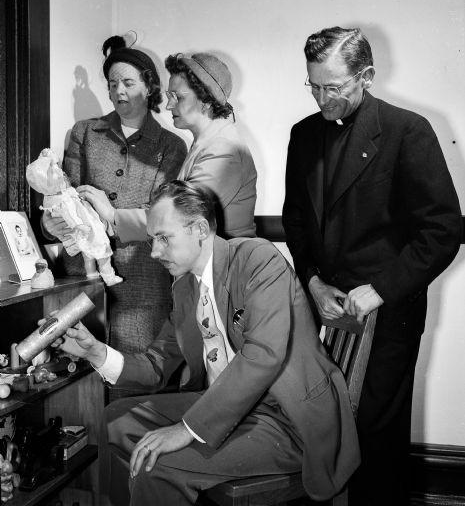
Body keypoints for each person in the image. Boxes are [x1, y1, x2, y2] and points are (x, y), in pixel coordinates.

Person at [55, 180, 360, 506]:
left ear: (200, 228)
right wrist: (98, 354)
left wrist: (187, 429)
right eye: (151, 240)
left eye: (163, 238)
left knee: (156, 466)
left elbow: (263, 355)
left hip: (287, 420)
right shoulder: (185, 288)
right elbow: (157, 363)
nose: (155, 252)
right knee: (114, 419)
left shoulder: (259, 260)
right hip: (225, 407)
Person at [282, 26, 462, 506]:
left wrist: (378, 289)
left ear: (366, 76)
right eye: (314, 86)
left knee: (374, 436)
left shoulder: (408, 132)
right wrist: (314, 282)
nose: (324, 99)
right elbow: (294, 221)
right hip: (324, 307)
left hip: (387, 311)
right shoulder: (303, 136)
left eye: (334, 87)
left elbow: (443, 231)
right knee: (324, 421)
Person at [42, 36, 187, 368]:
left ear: (149, 87)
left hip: (143, 288)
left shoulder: (171, 146)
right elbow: (62, 201)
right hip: (81, 283)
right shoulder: (84, 133)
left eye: (128, 82)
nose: (119, 90)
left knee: (135, 381)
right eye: (112, 83)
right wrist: (50, 226)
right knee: (77, 386)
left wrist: (112, 216)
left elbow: (164, 219)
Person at [95, 51, 257, 243]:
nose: (169, 106)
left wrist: (112, 215)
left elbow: (181, 216)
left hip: (226, 265)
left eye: (177, 97)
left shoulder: (223, 150)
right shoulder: (209, 142)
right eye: (169, 96)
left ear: (205, 100)